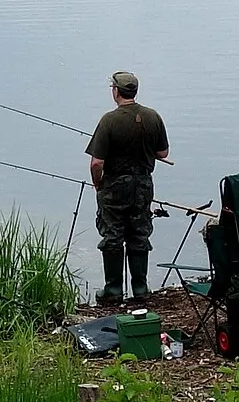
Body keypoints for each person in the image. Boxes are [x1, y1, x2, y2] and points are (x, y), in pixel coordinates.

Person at [86, 70, 170, 304]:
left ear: (116, 91)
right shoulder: (153, 116)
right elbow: (163, 153)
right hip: (143, 185)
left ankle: (113, 290)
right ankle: (140, 288)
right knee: (139, 231)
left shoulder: (109, 120)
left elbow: (97, 162)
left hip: (114, 185)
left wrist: (97, 183)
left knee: (112, 234)